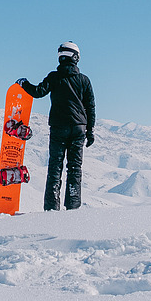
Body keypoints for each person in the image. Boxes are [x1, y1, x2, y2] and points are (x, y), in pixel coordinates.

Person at [17, 41, 96, 211]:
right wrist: (90, 131)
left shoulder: (54, 77)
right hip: (78, 128)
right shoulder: (84, 80)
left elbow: (38, 92)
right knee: (75, 167)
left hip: (58, 127)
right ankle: (73, 204)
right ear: (76, 57)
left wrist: (24, 84)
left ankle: (52, 206)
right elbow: (90, 107)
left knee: (55, 167)